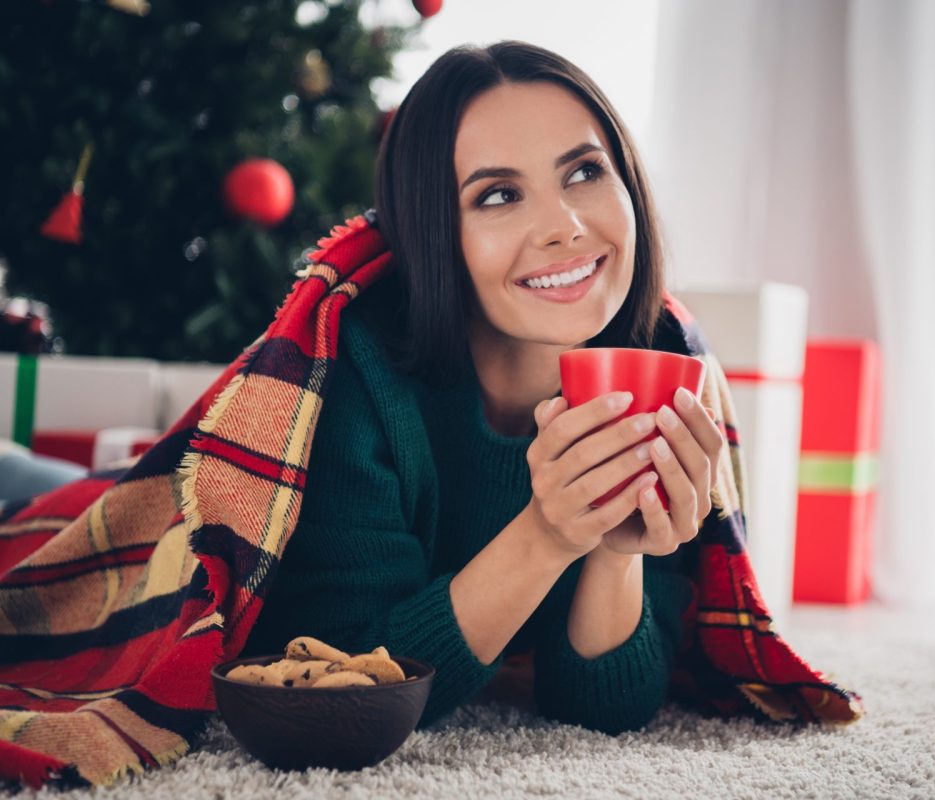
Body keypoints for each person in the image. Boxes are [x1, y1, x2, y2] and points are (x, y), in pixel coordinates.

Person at [240, 41, 727, 735]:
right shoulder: (360, 377)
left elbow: (603, 708)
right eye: (498, 195)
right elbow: (346, 690)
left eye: (585, 171)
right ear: (437, 234)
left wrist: (615, 548)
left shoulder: (660, 366)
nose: (564, 226)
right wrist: (548, 533)